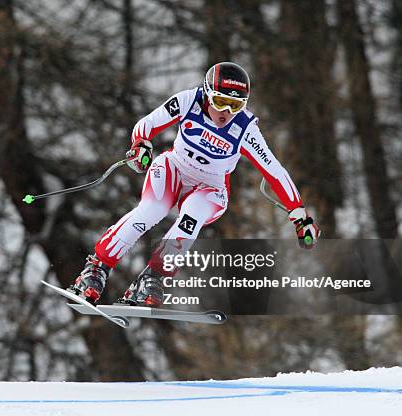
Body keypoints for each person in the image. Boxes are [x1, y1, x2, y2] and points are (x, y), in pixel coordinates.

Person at [68, 62, 320, 307]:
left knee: (192, 217)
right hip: (174, 169)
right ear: (208, 95)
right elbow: (146, 125)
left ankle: (155, 277)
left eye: (235, 105)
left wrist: (299, 215)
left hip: (210, 187)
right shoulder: (189, 101)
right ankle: (97, 269)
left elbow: (275, 171)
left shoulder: (245, 129)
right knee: (151, 210)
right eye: (221, 102)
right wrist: (141, 145)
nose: (226, 113)